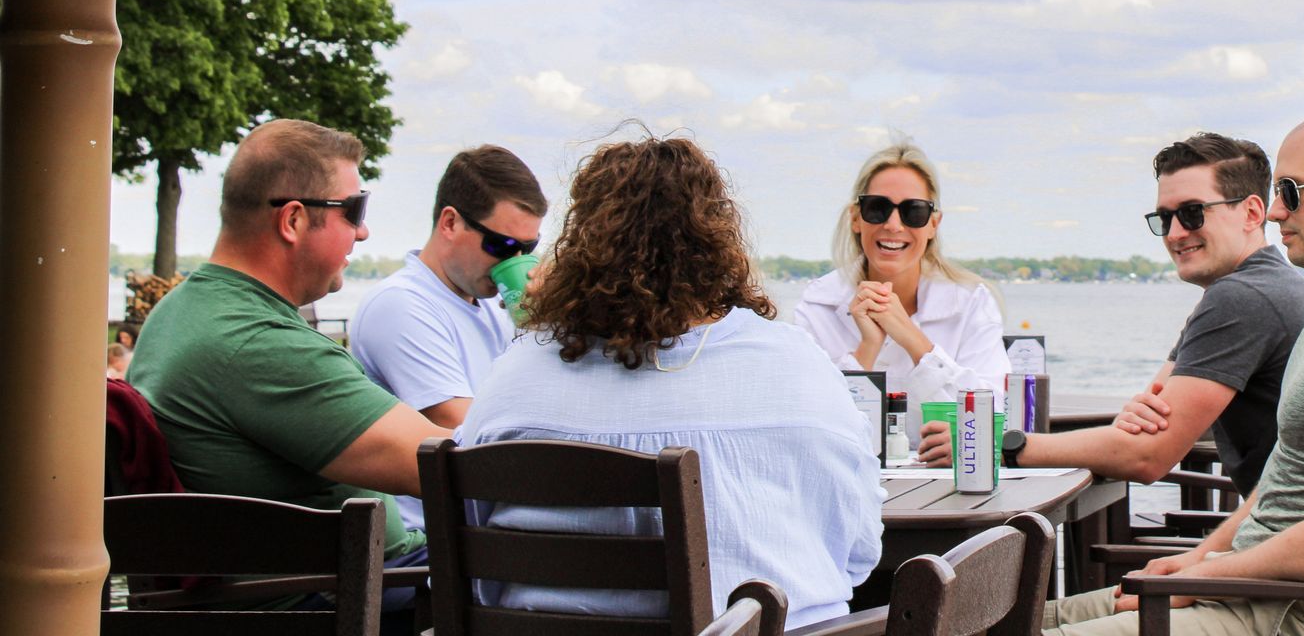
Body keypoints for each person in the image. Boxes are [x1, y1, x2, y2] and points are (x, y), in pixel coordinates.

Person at [1040, 108, 1304, 636]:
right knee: (1014, 620)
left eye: (1292, 189)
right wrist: (1200, 558)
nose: (1275, 211)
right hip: (1254, 592)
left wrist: (1199, 576)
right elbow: (1281, 484)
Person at [460, 136, 881, 626]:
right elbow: (858, 554)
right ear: (719, 242)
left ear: (580, 244)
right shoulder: (798, 366)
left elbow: (476, 573)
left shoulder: (516, 378)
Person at [129, 119, 450, 571]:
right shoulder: (254, 343)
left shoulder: (182, 308)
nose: (363, 233)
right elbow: (454, 467)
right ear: (294, 219)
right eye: (354, 211)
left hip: (317, 587)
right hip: (347, 601)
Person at [930, 133, 1304, 490]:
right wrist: (1135, 433)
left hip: (1293, 550)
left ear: (1252, 213)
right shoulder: (1265, 288)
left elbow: (1146, 456)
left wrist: (999, 446)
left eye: (1193, 213)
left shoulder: (1243, 298)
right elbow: (1139, 426)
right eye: (1164, 218)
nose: (1175, 233)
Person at [350, 145, 546, 530]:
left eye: (528, 248)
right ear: (450, 222)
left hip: (481, 530)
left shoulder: (492, 305)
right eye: (503, 246)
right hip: (422, 546)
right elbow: (467, 430)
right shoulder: (402, 305)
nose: (513, 261)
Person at [793, 141, 1009, 397]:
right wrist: (867, 349)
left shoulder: (972, 302)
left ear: (933, 225)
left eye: (913, 211)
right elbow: (807, 413)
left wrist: (912, 338)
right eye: (877, 208)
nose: (893, 225)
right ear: (855, 218)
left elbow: (995, 408)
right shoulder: (818, 305)